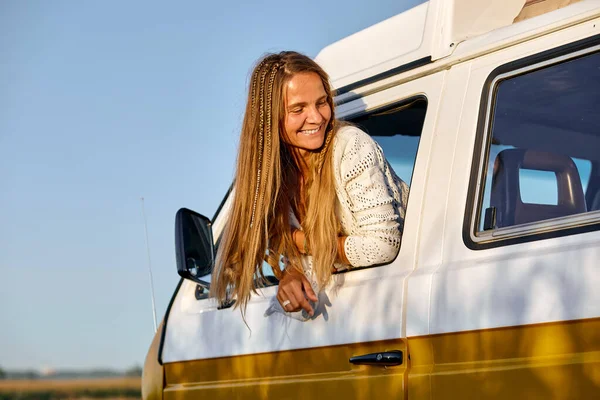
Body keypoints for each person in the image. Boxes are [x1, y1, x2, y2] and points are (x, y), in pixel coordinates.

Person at [211, 51, 408, 318]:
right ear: (269, 120)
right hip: (360, 318)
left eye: (321, 102)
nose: (316, 117)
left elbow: (383, 245)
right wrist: (293, 272)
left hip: (400, 307)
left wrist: (292, 240)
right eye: (298, 109)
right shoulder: (274, 180)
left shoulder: (350, 146)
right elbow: (318, 258)